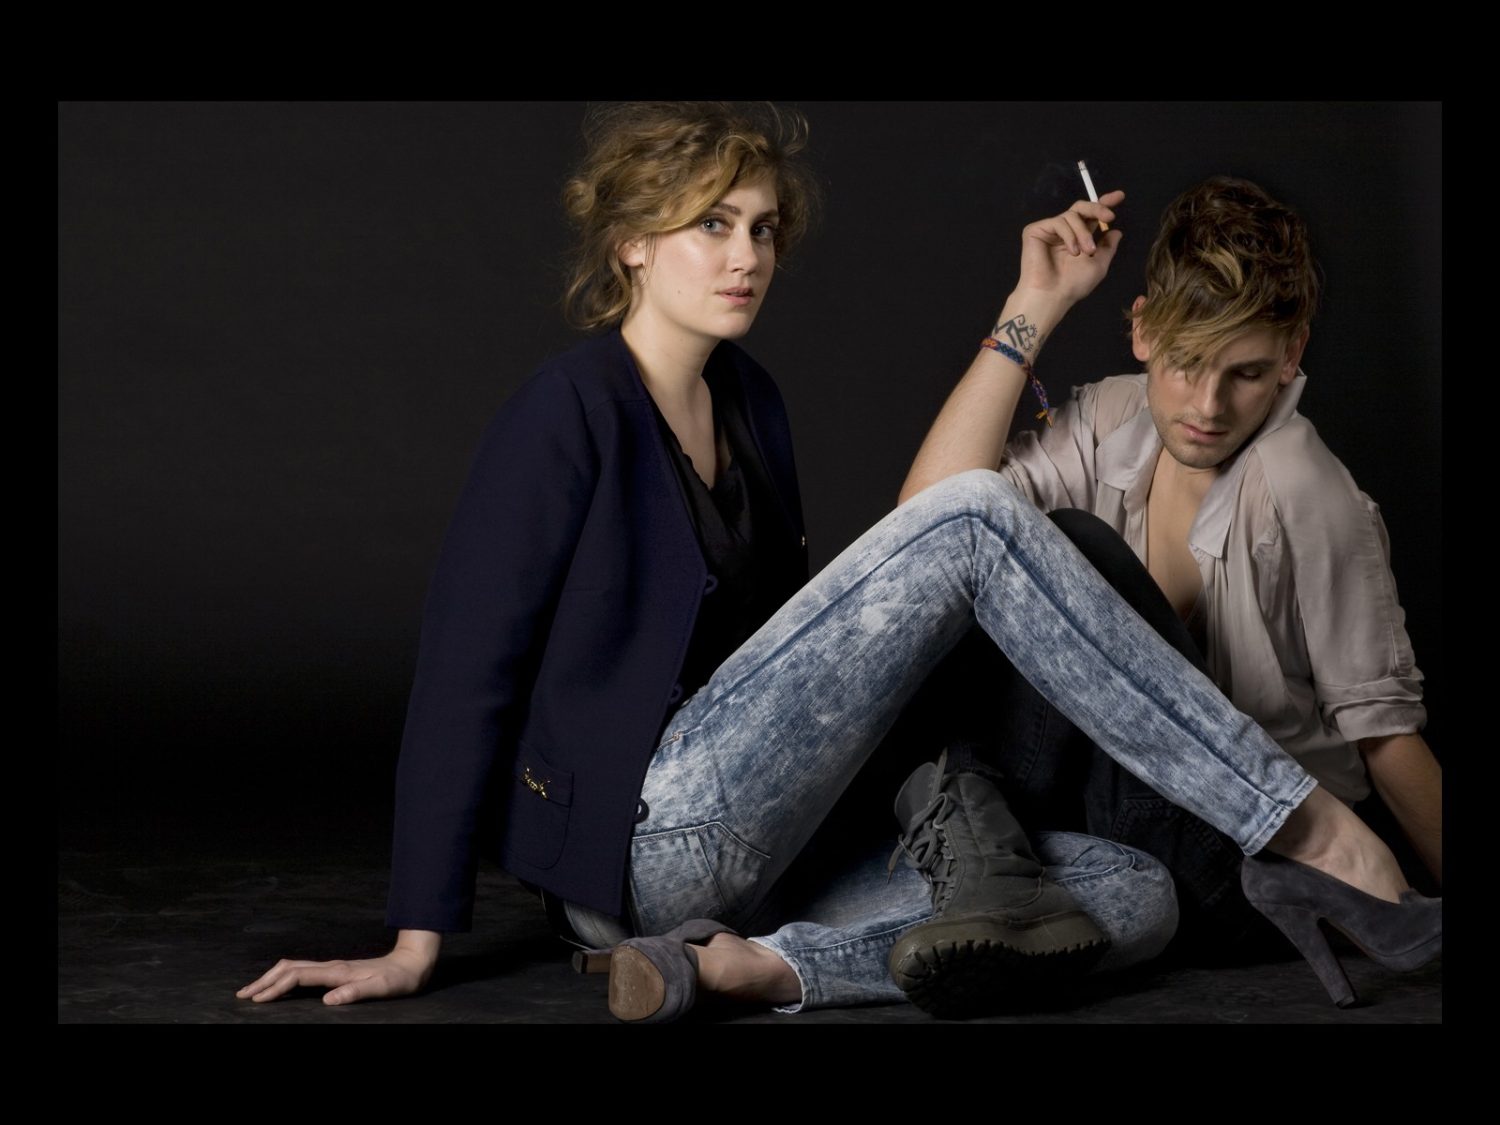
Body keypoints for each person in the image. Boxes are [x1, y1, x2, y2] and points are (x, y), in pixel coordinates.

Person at [237, 105, 1436, 1020]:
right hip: (642, 840)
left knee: (1135, 893)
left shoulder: (750, 405)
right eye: (711, 225)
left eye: (762, 228)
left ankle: (752, 973)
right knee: (975, 518)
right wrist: (416, 938)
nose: (746, 255)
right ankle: (1307, 830)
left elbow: (808, 676)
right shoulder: (567, 413)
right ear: (632, 246)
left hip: (757, 854)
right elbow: (466, 672)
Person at [898, 175, 1441, 994]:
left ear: (1292, 353)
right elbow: (930, 531)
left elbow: (1385, 736)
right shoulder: (1110, 420)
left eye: (1247, 372)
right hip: (1110, 820)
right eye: (1187, 362)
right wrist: (1035, 303)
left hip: (1246, 858)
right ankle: (953, 892)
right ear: (1144, 330)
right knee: (965, 611)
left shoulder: (1306, 488)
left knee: (1074, 548)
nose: (1208, 406)